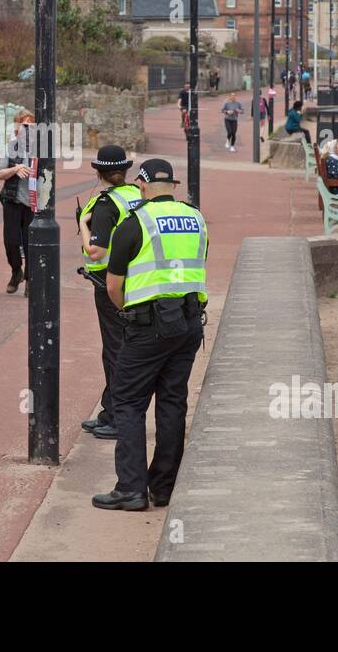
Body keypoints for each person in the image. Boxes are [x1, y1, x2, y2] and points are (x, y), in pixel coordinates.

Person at [93, 158, 208, 511]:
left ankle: (131, 489)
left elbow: (114, 285)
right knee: (172, 402)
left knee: (127, 402)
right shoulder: (196, 218)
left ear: (141, 185)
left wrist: (128, 311)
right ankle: (163, 488)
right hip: (189, 323)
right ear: (173, 186)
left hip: (148, 326)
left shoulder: (135, 222)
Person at [76, 145, 143, 440]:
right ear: (125, 171)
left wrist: (81, 224)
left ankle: (117, 417)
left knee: (115, 350)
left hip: (109, 282)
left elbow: (95, 251)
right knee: (119, 347)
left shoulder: (105, 204)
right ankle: (108, 409)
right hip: (136, 277)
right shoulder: (134, 195)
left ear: (98, 172)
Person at [0, 110, 36, 295]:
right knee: (11, 241)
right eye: (24, 125)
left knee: (30, 243)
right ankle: (16, 271)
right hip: (13, 200)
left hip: (33, 204)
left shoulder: (42, 149)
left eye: (31, 125)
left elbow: (50, 175)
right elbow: (0, 173)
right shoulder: (11, 147)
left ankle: (29, 280)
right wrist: (16, 168)